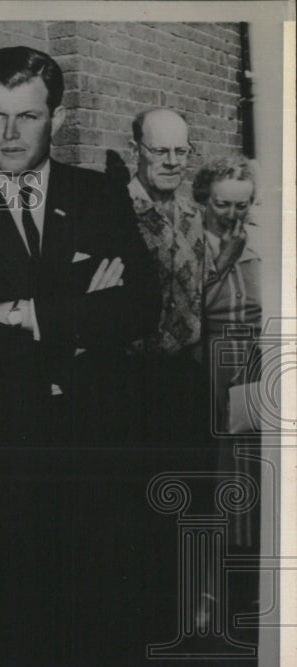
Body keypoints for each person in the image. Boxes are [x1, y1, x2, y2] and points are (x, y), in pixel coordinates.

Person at [0, 46, 160, 667]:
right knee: (15, 637)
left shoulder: (97, 194)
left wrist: (32, 313)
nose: (9, 134)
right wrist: (85, 312)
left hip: (96, 449)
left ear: (54, 117)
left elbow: (142, 303)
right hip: (4, 460)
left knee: (103, 631)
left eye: (26, 116)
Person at [127, 108, 210, 451]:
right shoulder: (110, 212)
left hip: (186, 380)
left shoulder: (195, 215)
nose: (172, 161)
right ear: (136, 151)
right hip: (129, 384)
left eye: (181, 151)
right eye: (160, 151)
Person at [193, 154, 262, 437]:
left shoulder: (261, 243)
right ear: (203, 198)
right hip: (206, 371)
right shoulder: (188, 243)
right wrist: (224, 259)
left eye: (241, 206)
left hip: (258, 368)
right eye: (221, 205)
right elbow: (186, 312)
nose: (232, 215)